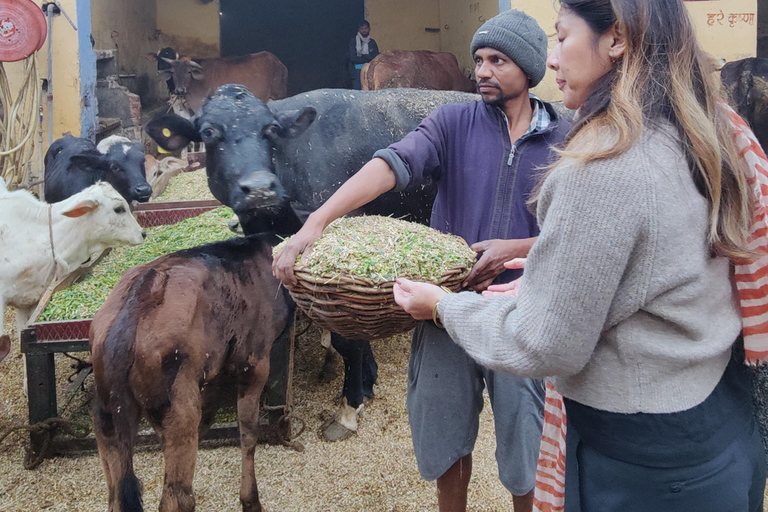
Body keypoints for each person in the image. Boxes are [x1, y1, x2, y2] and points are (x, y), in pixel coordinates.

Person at [392, 1, 767, 511]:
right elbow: (655, 272)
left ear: (614, 40)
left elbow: (543, 345)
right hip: (717, 420)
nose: (553, 60)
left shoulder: (603, 165)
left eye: (562, 37)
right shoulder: (701, 134)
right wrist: (550, 279)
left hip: (642, 464)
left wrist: (441, 306)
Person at [275, 10, 570, 512]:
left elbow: (578, 237)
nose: (482, 70)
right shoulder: (454, 121)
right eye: (478, 59)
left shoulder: (566, 137)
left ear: (527, 67)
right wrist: (316, 223)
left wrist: (515, 249)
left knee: (528, 443)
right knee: (443, 436)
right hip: (444, 306)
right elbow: (391, 163)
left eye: (497, 60)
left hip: (522, 311)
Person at [349, 20, 379, 90]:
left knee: (370, 91)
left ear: (369, 29)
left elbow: (376, 58)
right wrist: (368, 58)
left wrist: (362, 55)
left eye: (366, 28)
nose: (364, 30)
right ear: (358, 30)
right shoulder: (353, 41)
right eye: (362, 29)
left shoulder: (372, 42)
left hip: (370, 72)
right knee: (358, 92)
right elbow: (353, 58)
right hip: (357, 72)